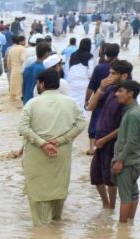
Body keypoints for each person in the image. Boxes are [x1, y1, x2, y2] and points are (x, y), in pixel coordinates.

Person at [18, 70, 86, 226]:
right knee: (58, 190)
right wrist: (60, 140)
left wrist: (42, 143)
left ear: (41, 84)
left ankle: (42, 236)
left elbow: (23, 127)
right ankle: (55, 234)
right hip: (61, 154)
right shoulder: (71, 103)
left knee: (38, 194)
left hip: (37, 155)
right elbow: (81, 124)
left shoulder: (33, 103)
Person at [87, 59, 133, 209]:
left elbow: (124, 127)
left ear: (124, 76)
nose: (109, 76)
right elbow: (91, 107)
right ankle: (105, 205)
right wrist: (100, 88)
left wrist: (105, 139)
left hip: (113, 143)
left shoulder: (127, 97)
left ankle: (112, 206)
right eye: (109, 73)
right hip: (101, 140)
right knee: (96, 177)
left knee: (110, 179)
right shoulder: (109, 90)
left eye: (113, 73)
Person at [111, 80, 140, 223]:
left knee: (125, 196)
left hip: (127, 162)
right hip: (133, 161)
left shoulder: (133, 114)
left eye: (120, 91)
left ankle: (122, 230)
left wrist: (120, 161)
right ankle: (129, 226)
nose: (116, 94)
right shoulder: (134, 111)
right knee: (133, 193)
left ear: (130, 94)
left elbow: (131, 141)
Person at [6, 35, 27, 102]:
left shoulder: (11, 49)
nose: (25, 42)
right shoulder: (23, 49)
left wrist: (9, 70)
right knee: (20, 89)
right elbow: (23, 59)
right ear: (21, 41)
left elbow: (8, 62)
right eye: (24, 41)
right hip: (21, 70)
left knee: (13, 89)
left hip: (13, 71)